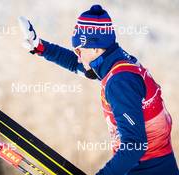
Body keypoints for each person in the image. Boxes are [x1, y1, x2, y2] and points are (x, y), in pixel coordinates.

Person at [18, 4, 179, 175]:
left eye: (79, 50)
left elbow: (134, 146)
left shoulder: (119, 82)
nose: (78, 56)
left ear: (95, 48)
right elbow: (78, 64)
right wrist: (41, 47)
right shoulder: (117, 64)